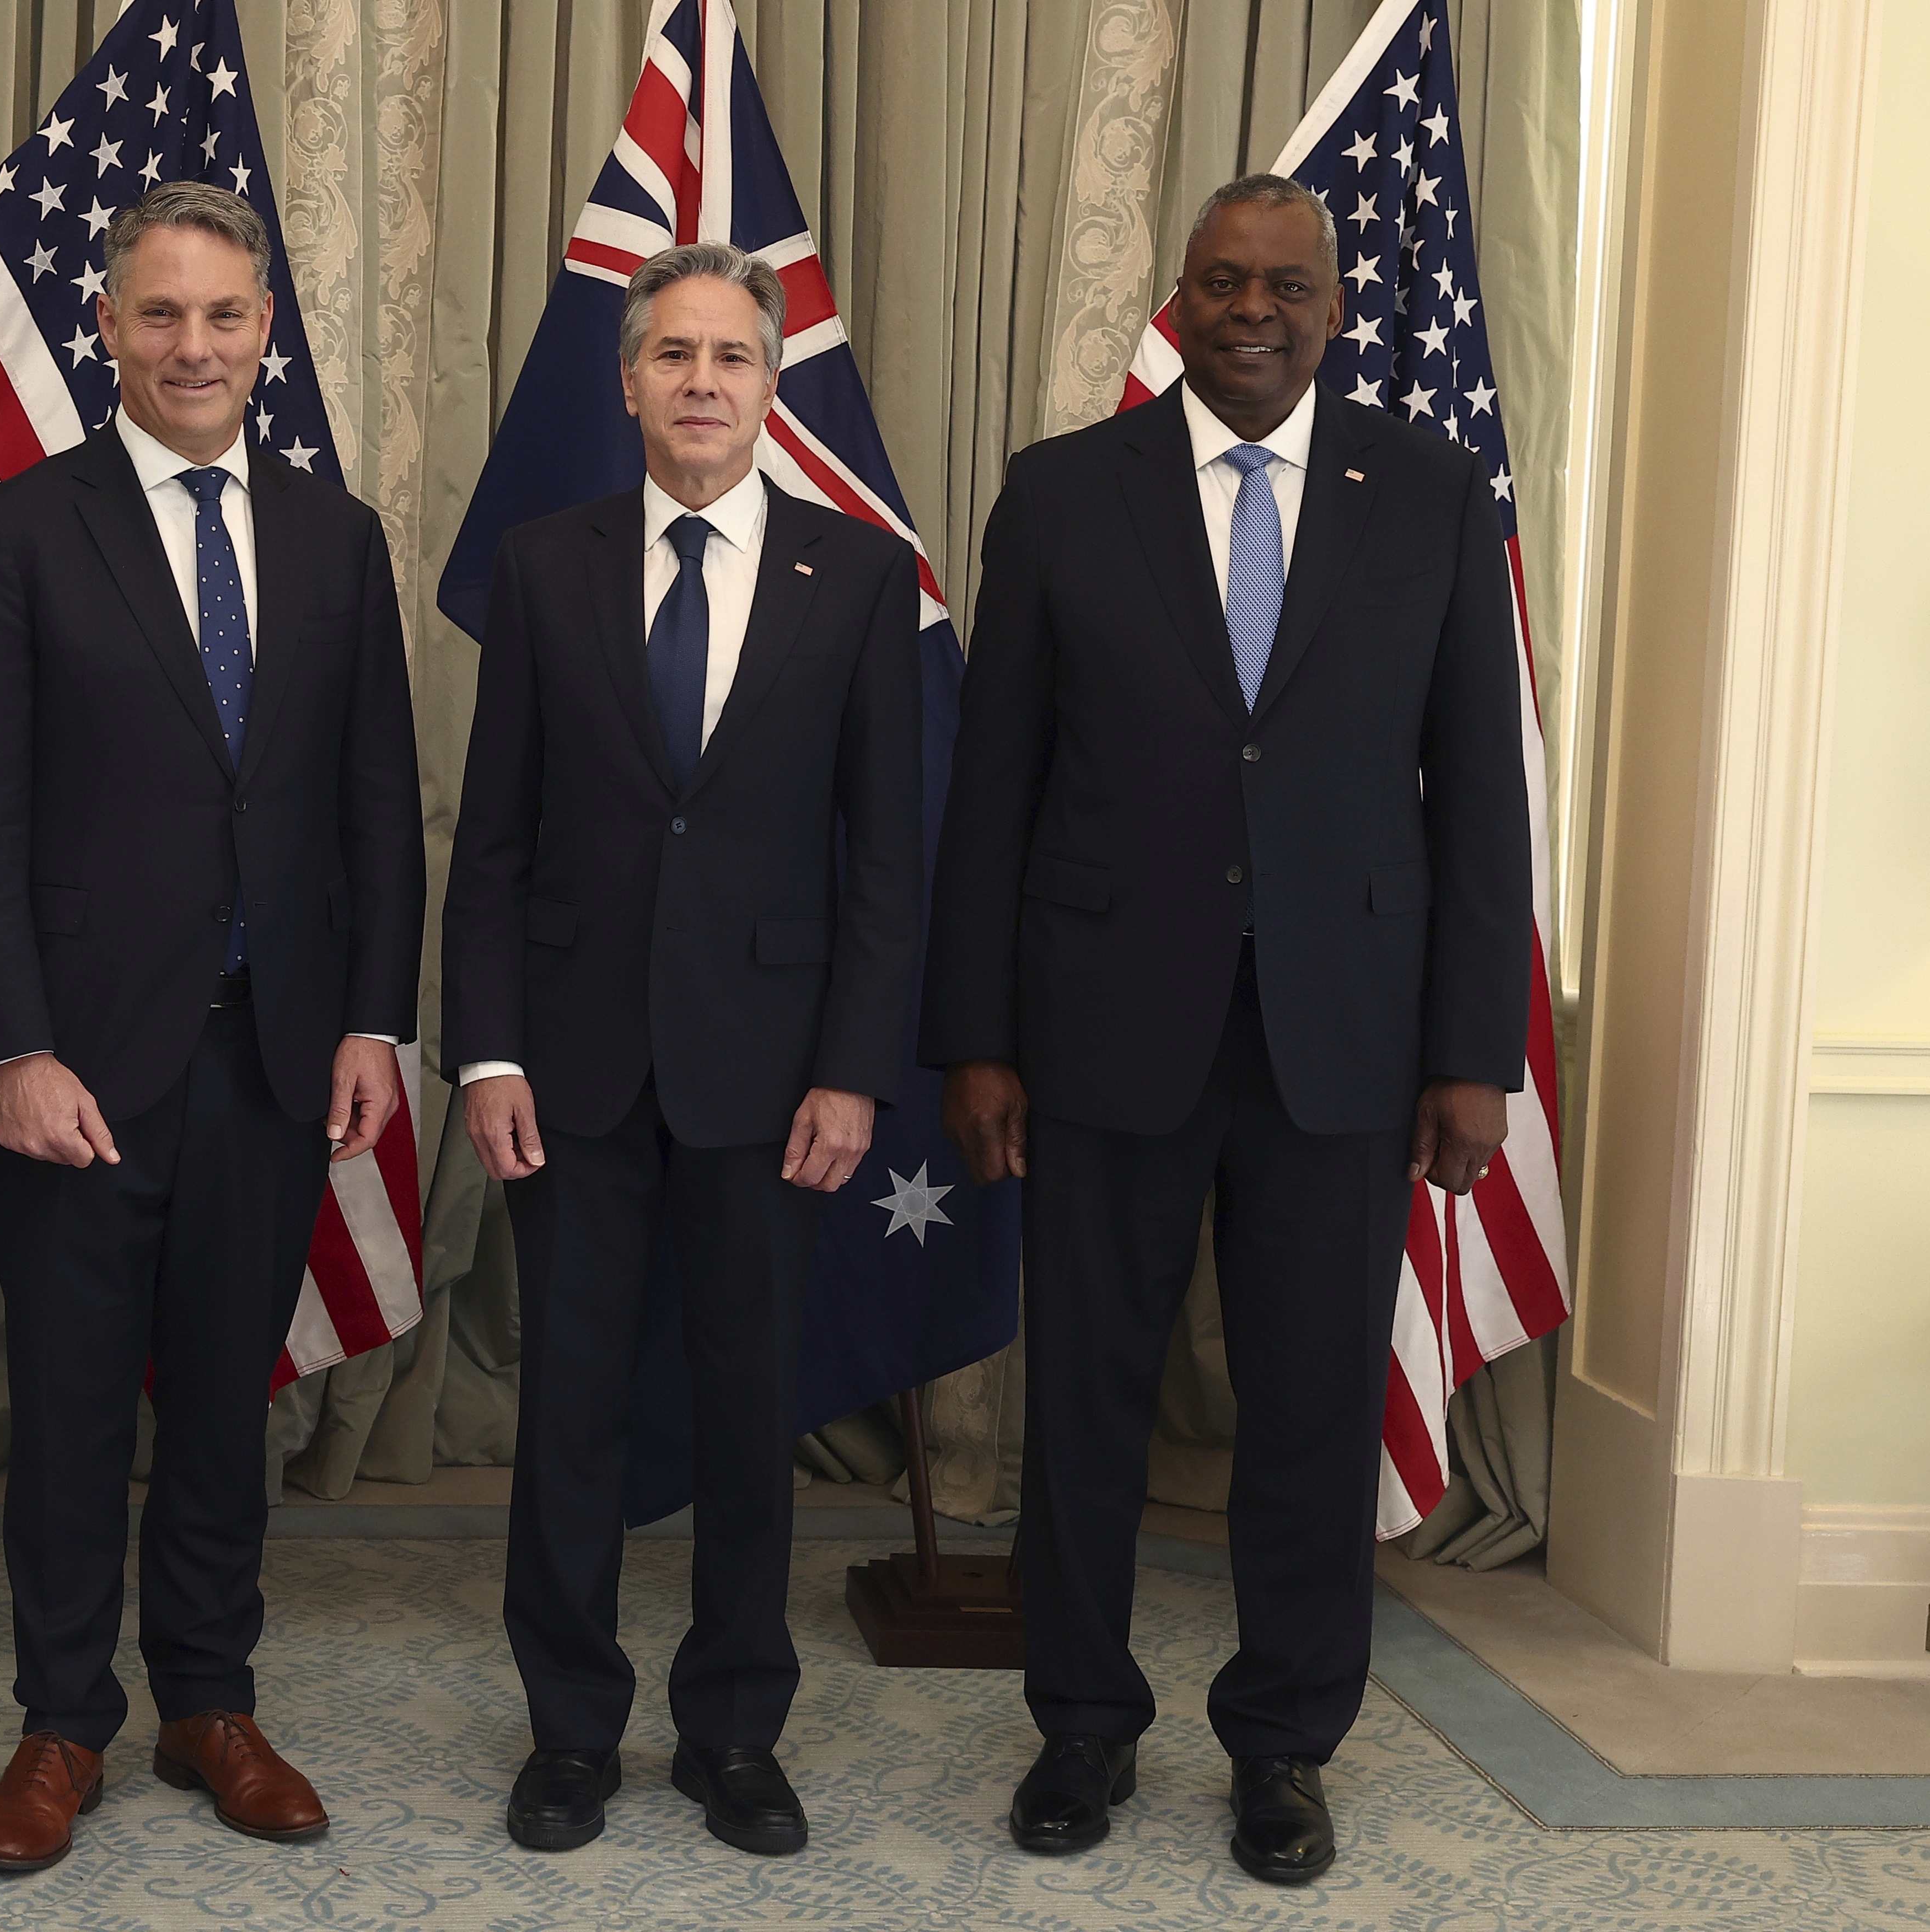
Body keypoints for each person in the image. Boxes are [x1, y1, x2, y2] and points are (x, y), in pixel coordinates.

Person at [922, 174, 1531, 1884]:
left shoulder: (1426, 491)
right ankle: (1082, 1727)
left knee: (1316, 1407)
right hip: (1105, 1022)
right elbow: (997, 789)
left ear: (1333, 306)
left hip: (1347, 1032)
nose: (1253, 311)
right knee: (1091, 1400)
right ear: (1175, 302)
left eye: (1287, 285)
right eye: (1220, 283)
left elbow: (1482, 790)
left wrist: (1471, 1047)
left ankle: (1283, 1745)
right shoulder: (1061, 496)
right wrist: (974, 1032)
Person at [0, 180, 422, 1874]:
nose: (191, 345)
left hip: (273, 1056)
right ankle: (63, 1721)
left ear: (266, 331)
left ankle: (212, 1700)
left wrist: (373, 1021)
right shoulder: (16, 533)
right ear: (109, 326)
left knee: (224, 1400)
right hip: (81, 1065)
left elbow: (375, 807)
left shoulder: (336, 539)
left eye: (223, 317)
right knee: (67, 1408)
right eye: (160, 314)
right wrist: (11, 1048)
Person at [442, 240, 923, 1859]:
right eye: (674, 356)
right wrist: (485, 1054)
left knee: (744, 1414)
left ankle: (733, 1729)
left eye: (733, 356)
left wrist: (856, 1066)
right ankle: (571, 1730)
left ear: (771, 387)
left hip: (775, 1075)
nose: (704, 382)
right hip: (570, 1068)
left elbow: (884, 854)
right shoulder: (540, 564)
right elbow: (492, 839)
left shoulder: (856, 579)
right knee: (569, 1408)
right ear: (629, 380)